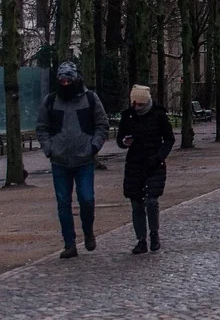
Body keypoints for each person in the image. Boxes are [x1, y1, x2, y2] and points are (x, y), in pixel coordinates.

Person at [34, 61, 109, 259]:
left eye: (69, 79)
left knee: (87, 199)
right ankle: (69, 243)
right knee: (63, 203)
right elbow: (41, 127)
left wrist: (93, 146)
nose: (65, 83)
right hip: (59, 160)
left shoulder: (90, 99)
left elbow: (102, 124)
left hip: (84, 159)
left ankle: (88, 231)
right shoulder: (51, 101)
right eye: (62, 80)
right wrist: (49, 149)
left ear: (75, 79)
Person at [117, 84, 175, 254]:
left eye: (140, 104)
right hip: (134, 164)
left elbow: (169, 139)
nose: (136, 107)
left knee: (152, 200)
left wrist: (159, 157)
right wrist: (124, 142)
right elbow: (120, 138)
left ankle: (154, 234)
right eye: (134, 104)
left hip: (154, 163)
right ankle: (141, 239)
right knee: (136, 203)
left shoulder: (158, 114)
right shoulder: (128, 116)